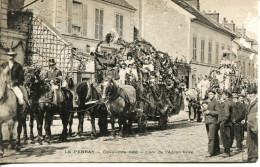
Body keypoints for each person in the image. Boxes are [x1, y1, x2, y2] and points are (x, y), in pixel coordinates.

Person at [202, 90, 220, 157]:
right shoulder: (207, 101)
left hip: (213, 122)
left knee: (211, 137)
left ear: (214, 95)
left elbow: (218, 112)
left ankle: (210, 152)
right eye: (209, 94)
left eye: (211, 94)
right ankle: (216, 150)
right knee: (214, 136)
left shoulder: (216, 102)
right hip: (207, 121)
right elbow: (204, 110)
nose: (209, 95)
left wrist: (209, 112)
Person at [218, 89, 233, 157]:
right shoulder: (229, 102)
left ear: (226, 95)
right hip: (228, 122)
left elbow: (227, 114)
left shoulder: (226, 103)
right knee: (227, 137)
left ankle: (227, 152)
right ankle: (227, 151)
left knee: (225, 137)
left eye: (223, 94)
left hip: (225, 123)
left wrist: (223, 122)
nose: (222, 95)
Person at [246, 85, 258, 162]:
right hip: (249, 123)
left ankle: (255, 155)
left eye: (252, 93)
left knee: (255, 140)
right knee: (249, 140)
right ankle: (250, 155)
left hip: (255, 124)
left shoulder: (257, 102)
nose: (250, 94)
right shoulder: (250, 102)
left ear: (255, 93)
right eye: (249, 93)